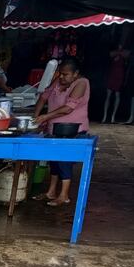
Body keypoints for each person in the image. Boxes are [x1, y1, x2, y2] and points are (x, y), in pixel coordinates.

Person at [33, 58, 90, 206]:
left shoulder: (82, 83)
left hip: (73, 130)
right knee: (54, 161)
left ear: (76, 74)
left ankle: (64, 195)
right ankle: (51, 192)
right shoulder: (57, 82)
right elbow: (43, 97)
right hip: (55, 129)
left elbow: (68, 108)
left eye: (66, 74)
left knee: (64, 161)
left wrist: (45, 116)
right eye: (60, 74)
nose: (62, 77)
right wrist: (35, 118)